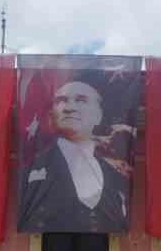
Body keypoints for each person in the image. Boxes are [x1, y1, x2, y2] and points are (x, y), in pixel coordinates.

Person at [18, 79, 131, 233]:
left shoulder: (115, 176)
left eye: (81, 100)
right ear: (51, 115)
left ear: (98, 115)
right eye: (61, 101)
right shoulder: (30, 171)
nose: (69, 108)